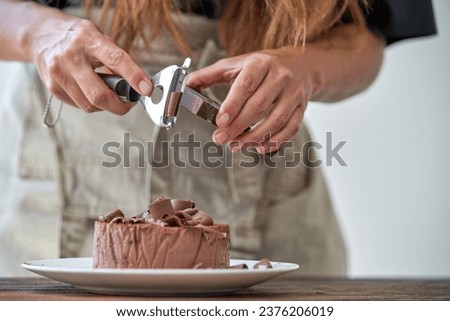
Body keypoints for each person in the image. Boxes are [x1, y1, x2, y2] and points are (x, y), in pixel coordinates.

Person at [0, 0, 436, 277]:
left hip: (266, 204)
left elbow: (373, 32)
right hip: (60, 186)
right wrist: (35, 31)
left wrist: (303, 69)